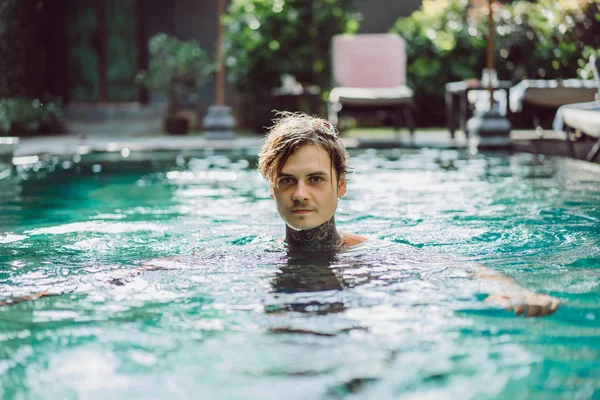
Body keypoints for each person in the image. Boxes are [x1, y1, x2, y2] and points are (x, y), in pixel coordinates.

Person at [257, 111, 560, 317]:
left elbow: (465, 267)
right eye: (287, 180)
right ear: (272, 189)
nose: (299, 194)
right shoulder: (251, 258)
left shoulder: (371, 256)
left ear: (341, 185)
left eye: (315, 179)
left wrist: (512, 289)